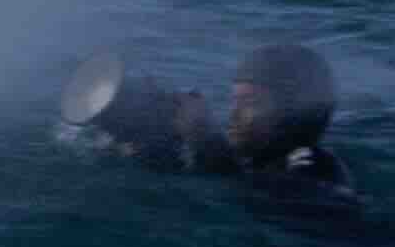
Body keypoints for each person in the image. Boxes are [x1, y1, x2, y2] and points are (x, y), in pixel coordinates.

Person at [59, 35, 345, 182]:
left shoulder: (312, 167)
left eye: (251, 104)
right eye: (235, 101)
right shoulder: (254, 162)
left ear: (293, 115)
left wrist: (204, 139)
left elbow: (258, 202)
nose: (234, 115)